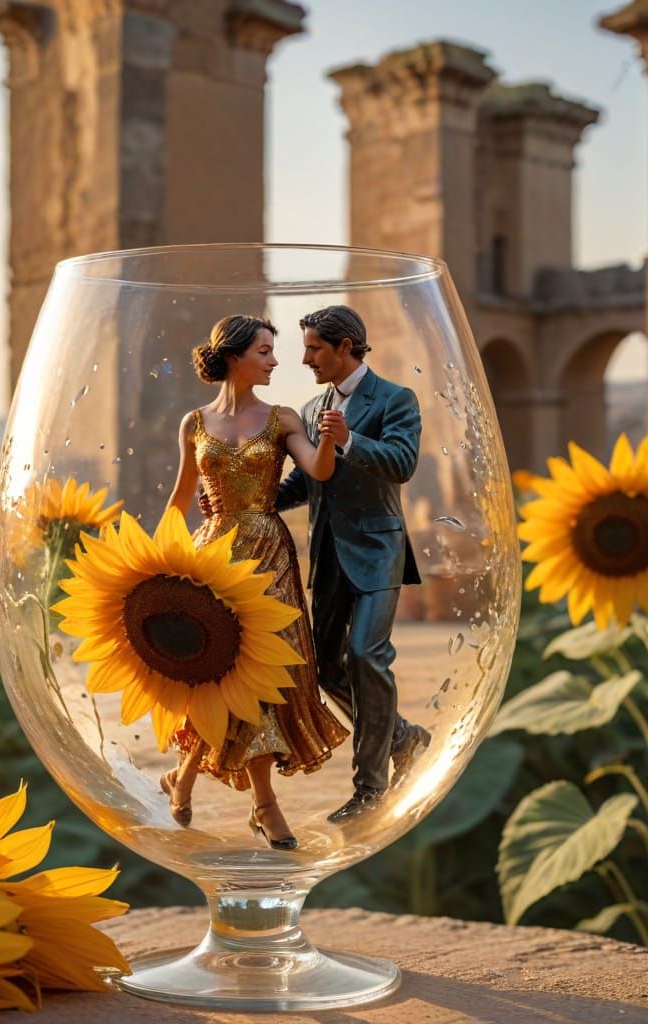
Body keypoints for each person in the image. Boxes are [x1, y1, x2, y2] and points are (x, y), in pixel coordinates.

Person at [163, 314, 349, 850]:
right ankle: (189, 776)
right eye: (265, 351)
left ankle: (258, 802)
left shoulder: (283, 418)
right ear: (235, 356)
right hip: (212, 555)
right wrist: (158, 562)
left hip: (268, 557)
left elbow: (317, 471)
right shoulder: (194, 423)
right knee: (212, 674)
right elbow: (180, 497)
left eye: (275, 351)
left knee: (263, 679)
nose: (274, 361)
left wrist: (332, 441)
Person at [277, 305, 430, 824]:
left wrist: (350, 440)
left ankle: (370, 790)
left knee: (366, 655)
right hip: (327, 556)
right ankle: (404, 737)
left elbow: (403, 462)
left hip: (377, 552)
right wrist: (254, 501)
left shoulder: (395, 399)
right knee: (324, 668)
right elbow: (308, 480)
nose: (306, 359)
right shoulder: (313, 404)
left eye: (315, 348)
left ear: (346, 347)